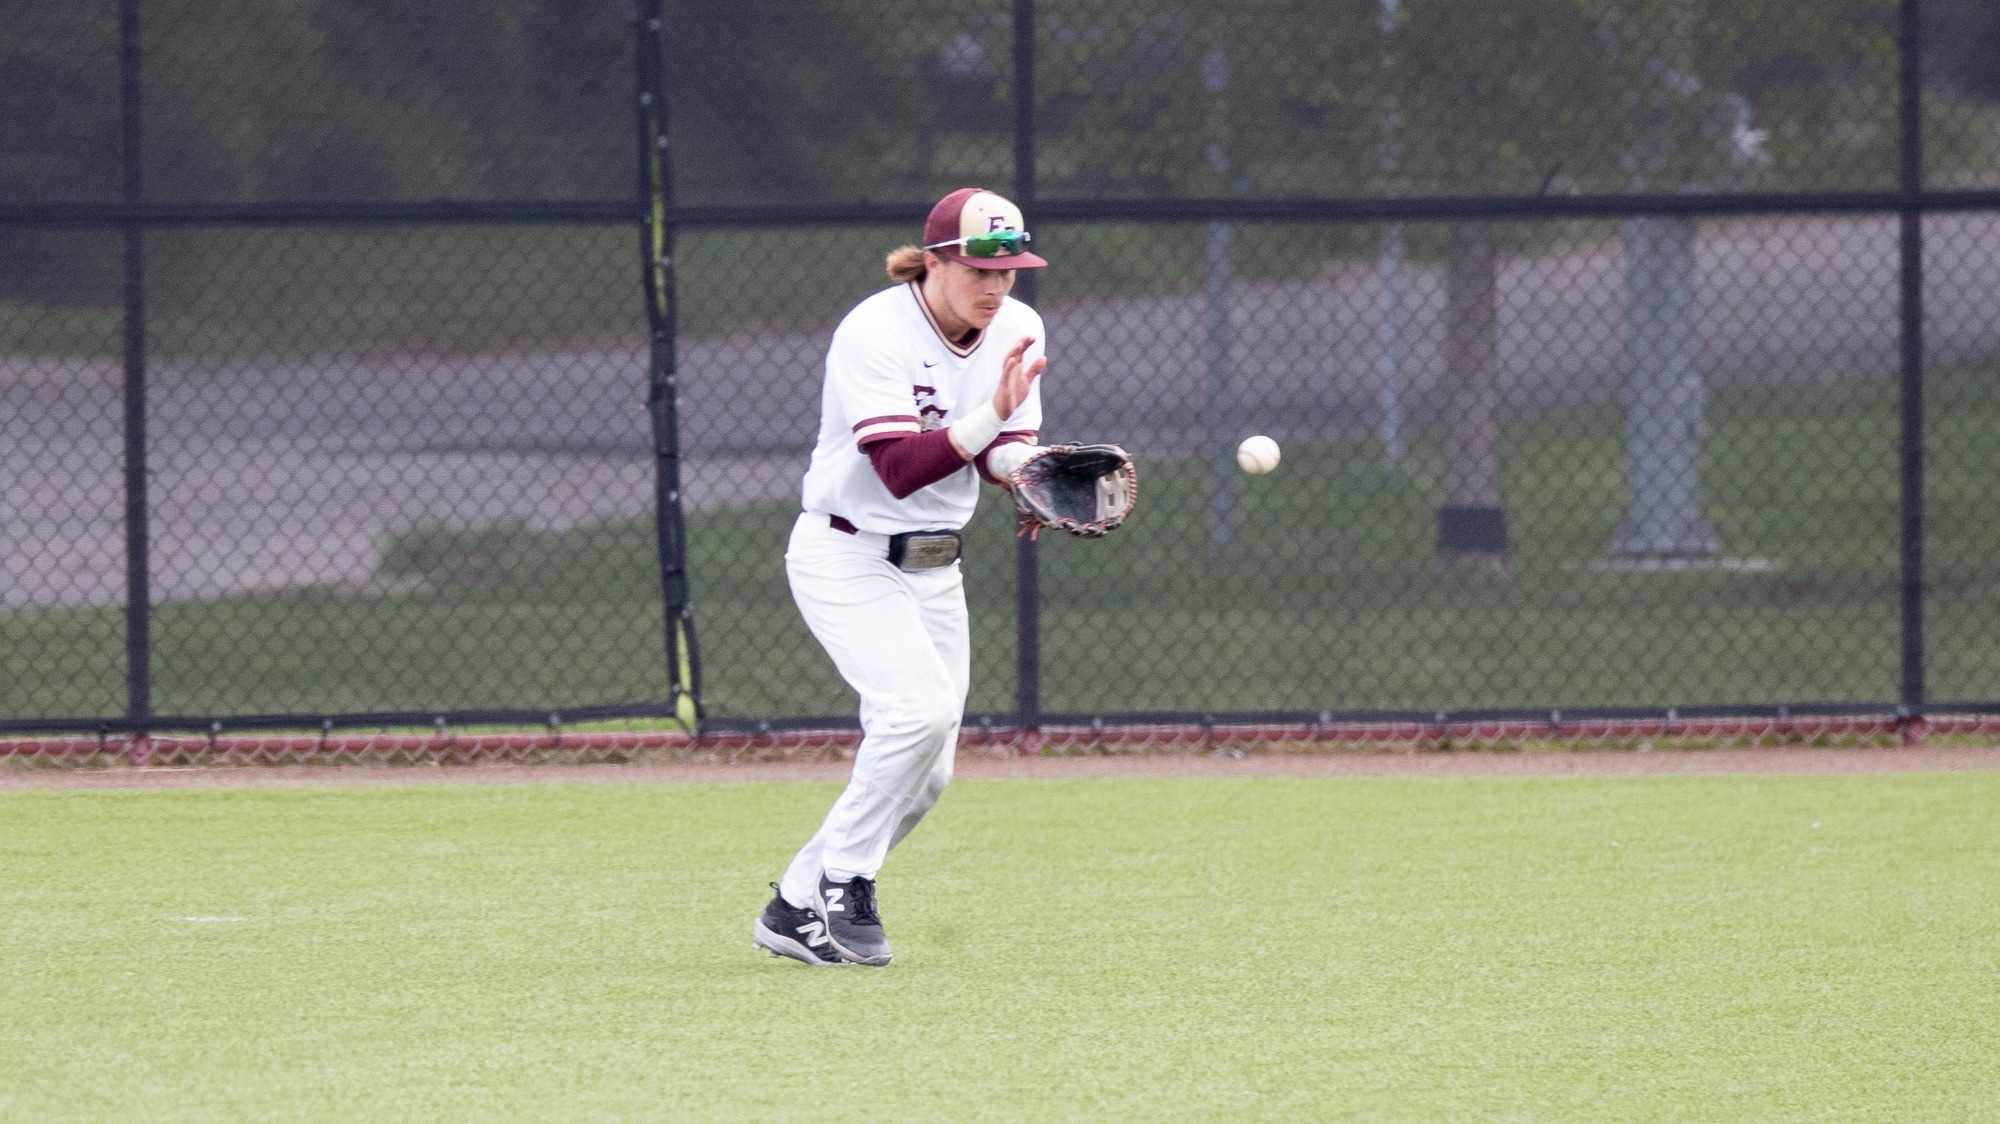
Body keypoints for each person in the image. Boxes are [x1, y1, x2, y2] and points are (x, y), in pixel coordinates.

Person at [752, 187, 1049, 967]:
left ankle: (792, 904)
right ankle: (847, 881)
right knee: (913, 714)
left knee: (929, 772)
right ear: (938, 260)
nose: (996, 287)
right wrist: (988, 423)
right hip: (846, 552)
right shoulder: (874, 331)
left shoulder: (1017, 326)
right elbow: (897, 470)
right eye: (981, 269)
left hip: (933, 565)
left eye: (1010, 271)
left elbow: (995, 451)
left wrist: (1031, 475)